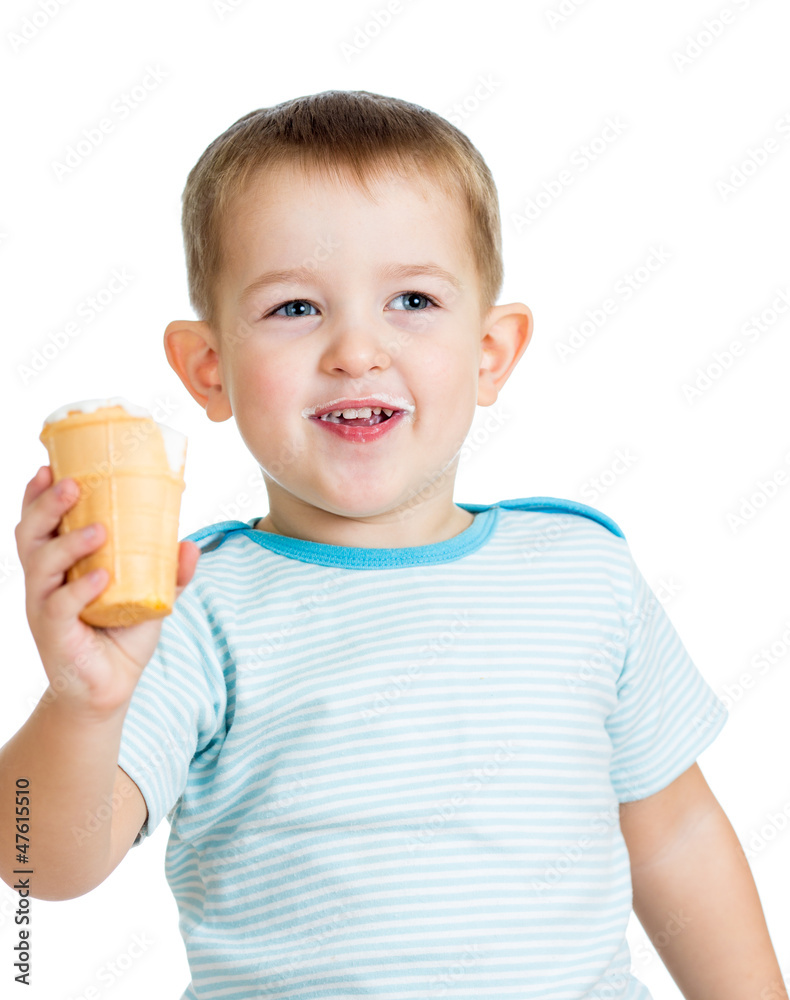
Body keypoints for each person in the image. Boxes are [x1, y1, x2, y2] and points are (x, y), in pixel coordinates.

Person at [3, 90, 786, 999]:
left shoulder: (582, 574)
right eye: (295, 307)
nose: (356, 350)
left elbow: (677, 836)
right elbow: (36, 864)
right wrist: (83, 703)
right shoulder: (183, 608)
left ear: (490, 352)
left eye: (412, 300)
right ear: (208, 370)